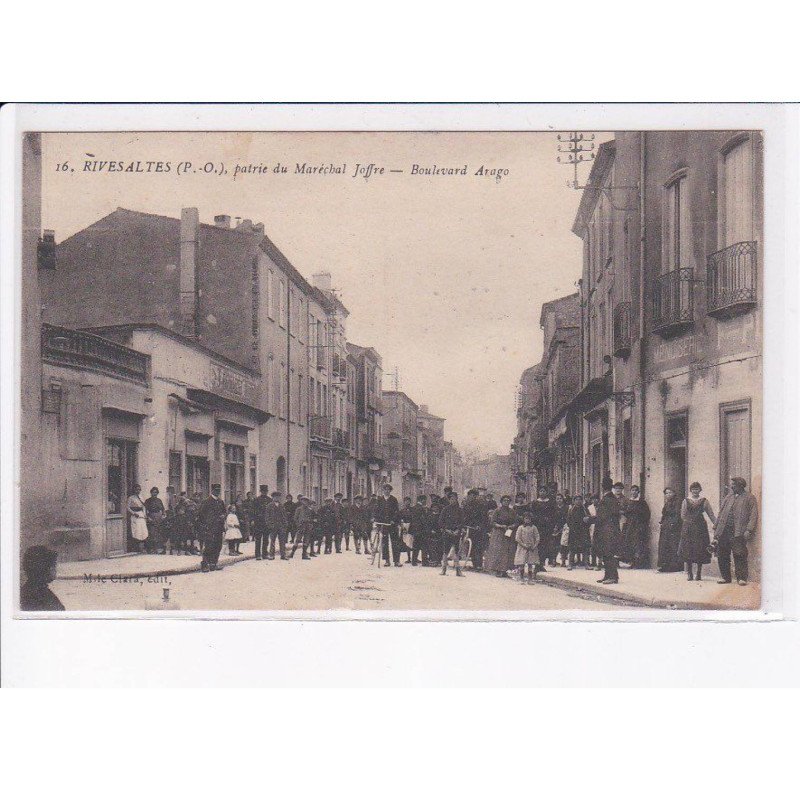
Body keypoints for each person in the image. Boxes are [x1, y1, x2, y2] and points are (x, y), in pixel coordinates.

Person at [713, 477, 758, 586]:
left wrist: (749, 530)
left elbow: (754, 515)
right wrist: (716, 526)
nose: (731, 486)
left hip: (738, 531)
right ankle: (726, 577)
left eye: (734, 485)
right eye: (731, 485)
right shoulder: (728, 497)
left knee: (740, 554)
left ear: (741, 486)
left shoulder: (749, 497)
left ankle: (741, 578)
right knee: (722, 554)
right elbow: (721, 512)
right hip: (723, 530)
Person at [678, 482, 716, 581]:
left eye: (697, 489)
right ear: (691, 490)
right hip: (689, 528)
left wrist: (716, 524)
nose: (695, 491)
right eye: (693, 489)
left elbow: (711, 514)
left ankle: (698, 573)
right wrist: (688, 524)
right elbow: (683, 515)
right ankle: (689, 573)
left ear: (700, 490)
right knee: (688, 549)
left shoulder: (704, 501)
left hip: (700, 528)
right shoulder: (686, 501)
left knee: (700, 549)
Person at [594, 478, 624, 584]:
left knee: (608, 553)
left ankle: (612, 577)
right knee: (607, 552)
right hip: (611, 528)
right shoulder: (613, 498)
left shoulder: (607, 499)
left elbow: (602, 516)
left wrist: (590, 519)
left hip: (607, 529)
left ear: (602, 487)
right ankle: (608, 575)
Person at [20, 545, 64, 611]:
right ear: (46, 568)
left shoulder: (25, 591)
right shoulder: (44, 596)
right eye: (54, 565)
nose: (56, 570)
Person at [484, 494, 519, 577]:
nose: (506, 502)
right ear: (501, 502)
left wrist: (511, 526)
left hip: (509, 533)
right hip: (498, 533)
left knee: (508, 551)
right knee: (498, 551)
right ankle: (497, 569)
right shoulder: (497, 511)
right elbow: (492, 522)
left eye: (508, 501)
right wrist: (500, 526)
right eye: (504, 501)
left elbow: (516, 522)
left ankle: (505, 570)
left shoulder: (512, 511)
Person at [198, 484, 227, 572]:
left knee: (218, 546)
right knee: (208, 546)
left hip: (219, 527)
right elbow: (201, 515)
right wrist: (205, 525)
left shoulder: (221, 502)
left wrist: (223, 516)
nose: (217, 492)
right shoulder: (206, 501)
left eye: (219, 490)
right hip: (209, 528)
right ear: (212, 490)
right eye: (216, 490)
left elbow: (224, 512)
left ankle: (213, 563)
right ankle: (205, 564)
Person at [622, 485, 651, 569]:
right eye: (632, 490)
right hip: (630, 525)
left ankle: (639, 562)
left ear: (638, 492)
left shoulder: (642, 502)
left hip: (639, 525)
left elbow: (647, 514)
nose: (634, 492)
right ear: (630, 491)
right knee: (630, 543)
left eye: (636, 490)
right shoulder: (628, 501)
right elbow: (625, 512)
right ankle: (632, 562)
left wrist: (642, 522)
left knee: (638, 543)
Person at [373, 484, 402, 567]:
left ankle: (396, 561)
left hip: (392, 524)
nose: (387, 491)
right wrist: (377, 521)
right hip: (383, 524)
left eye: (388, 489)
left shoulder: (393, 499)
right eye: (385, 489)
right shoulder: (379, 500)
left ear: (390, 491)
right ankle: (387, 560)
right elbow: (376, 511)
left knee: (395, 542)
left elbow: (397, 512)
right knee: (384, 542)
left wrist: (394, 520)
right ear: (383, 490)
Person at [462, 488, 489, 571]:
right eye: (471, 495)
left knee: (478, 547)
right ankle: (475, 564)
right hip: (470, 528)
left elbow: (483, 517)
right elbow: (464, 517)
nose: (472, 497)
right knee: (472, 547)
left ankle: (478, 565)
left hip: (479, 529)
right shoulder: (466, 505)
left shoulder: (481, 505)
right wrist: (464, 526)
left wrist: (479, 526)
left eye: (474, 496)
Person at [657, 487, 683, 572]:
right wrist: (662, 522)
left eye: (670, 493)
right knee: (664, 545)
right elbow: (664, 513)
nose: (668, 495)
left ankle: (674, 566)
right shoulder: (667, 503)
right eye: (666, 493)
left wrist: (673, 523)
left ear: (674, 493)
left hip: (673, 527)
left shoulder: (677, 503)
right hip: (665, 526)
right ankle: (665, 565)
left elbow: (677, 514)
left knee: (673, 545)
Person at [439, 491, 464, 577]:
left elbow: (462, 522)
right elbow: (441, 522)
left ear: (457, 499)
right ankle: (444, 569)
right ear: (449, 500)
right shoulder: (445, 510)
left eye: (455, 499)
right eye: (451, 499)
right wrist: (447, 530)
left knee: (456, 552)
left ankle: (458, 570)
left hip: (456, 533)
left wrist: (458, 530)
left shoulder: (460, 510)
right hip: (447, 533)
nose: (453, 501)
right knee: (445, 551)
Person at [530, 486, 555, 571]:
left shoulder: (550, 502)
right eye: (541, 491)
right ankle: (537, 564)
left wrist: (550, 521)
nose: (542, 493)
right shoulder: (535, 503)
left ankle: (541, 563)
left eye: (544, 491)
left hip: (547, 527)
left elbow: (553, 514)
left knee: (545, 545)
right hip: (538, 526)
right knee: (538, 544)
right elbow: (532, 514)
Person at [514, 512, 540, 584]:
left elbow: (537, 537)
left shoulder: (534, 527)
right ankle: (521, 578)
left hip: (531, 548)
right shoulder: (520, 527)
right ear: (523, 519)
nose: (527, 520)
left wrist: (534, 546)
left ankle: (530, 579)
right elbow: (517, 538)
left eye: (529, 519)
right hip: (522, 547)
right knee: (522, 563)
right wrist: (523, 545)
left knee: (530, 563)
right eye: (526, 518)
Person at [567, 494, 590, 570]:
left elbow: (589, 519)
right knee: (572, 548)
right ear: (574, 501)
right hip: (574, 531)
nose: (578, 501)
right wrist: (572, 527)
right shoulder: (571, 510)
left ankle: (586, 563)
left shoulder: (585, 509)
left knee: (585, 548)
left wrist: (587, 521)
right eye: (576, 500)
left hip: (583, 531)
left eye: (580, 500)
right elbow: (568, 521)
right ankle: (570, 563)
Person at [266, 491, 289, 560]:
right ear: (272, 497)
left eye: (278, 497)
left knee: (282, 541)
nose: (277, 498)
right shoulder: (269, 505)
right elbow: (267, 516)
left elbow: (284, 516)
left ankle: (283, 555)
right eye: (275, 497)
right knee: (272, 541)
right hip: (273, 526)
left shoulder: (282, 505)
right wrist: (269, 525)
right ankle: (271, 555)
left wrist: (285, 524)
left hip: (281, 526)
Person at [408, 495, 430, 565]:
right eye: (425, 500)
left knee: (416, 546)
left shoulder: (414, 508)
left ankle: (414, 561)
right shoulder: (422, 508)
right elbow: (423, 520)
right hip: (422, 529)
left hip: (415, 529)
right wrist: (426, 528)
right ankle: (424, 561)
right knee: (424, 546)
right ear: (423, 500)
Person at [127, 484, 149, 553]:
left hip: (141, 515)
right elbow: (127, 507)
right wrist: (133, 513)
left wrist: (145, 515)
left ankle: (142, 548)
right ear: (134, 490)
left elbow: (143, 507)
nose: (138, 491)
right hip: (135, 515)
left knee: (143, 531)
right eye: (136, 489)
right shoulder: (131, 498)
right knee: (136, 531)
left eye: (139, 489)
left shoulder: (141, 497)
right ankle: (136, 548)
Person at [144, 487, 166, 554]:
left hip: (158, 517)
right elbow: (145, 510)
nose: (155, 494)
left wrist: (163, 515)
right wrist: (148, 517)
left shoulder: (159, 500)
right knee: (151, 533)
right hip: (151, 516)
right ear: (151, 493)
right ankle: (151, 549)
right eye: (153, 492)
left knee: (158, 533)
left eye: (156, 492)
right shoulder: (148, 500)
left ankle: (157, 549)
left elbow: (163, 509)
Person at [253, 485, 270, 561]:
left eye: (265, 491)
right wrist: (252, 520)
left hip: (267, 522)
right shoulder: (256, 500)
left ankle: (265, 554)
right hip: (258, 522)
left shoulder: (270, 500)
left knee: (266, 539)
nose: (264, 493)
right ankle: (257, 555)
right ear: (261, 491)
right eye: (263, 491)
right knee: (258, 539)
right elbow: (252, 511)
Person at [553, 493, 569, 567]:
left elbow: (568, 517)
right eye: (557, 499)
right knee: (555, 544)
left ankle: (563, 561)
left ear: (563, 499)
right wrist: (555, 527)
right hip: (556, 527)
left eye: (560, 498)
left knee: (564, 544)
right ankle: (554, 560)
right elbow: (552, 518)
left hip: (565, 527)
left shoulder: (566, 508)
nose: (559, 500)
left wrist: (565, 526)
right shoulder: (554, 508)